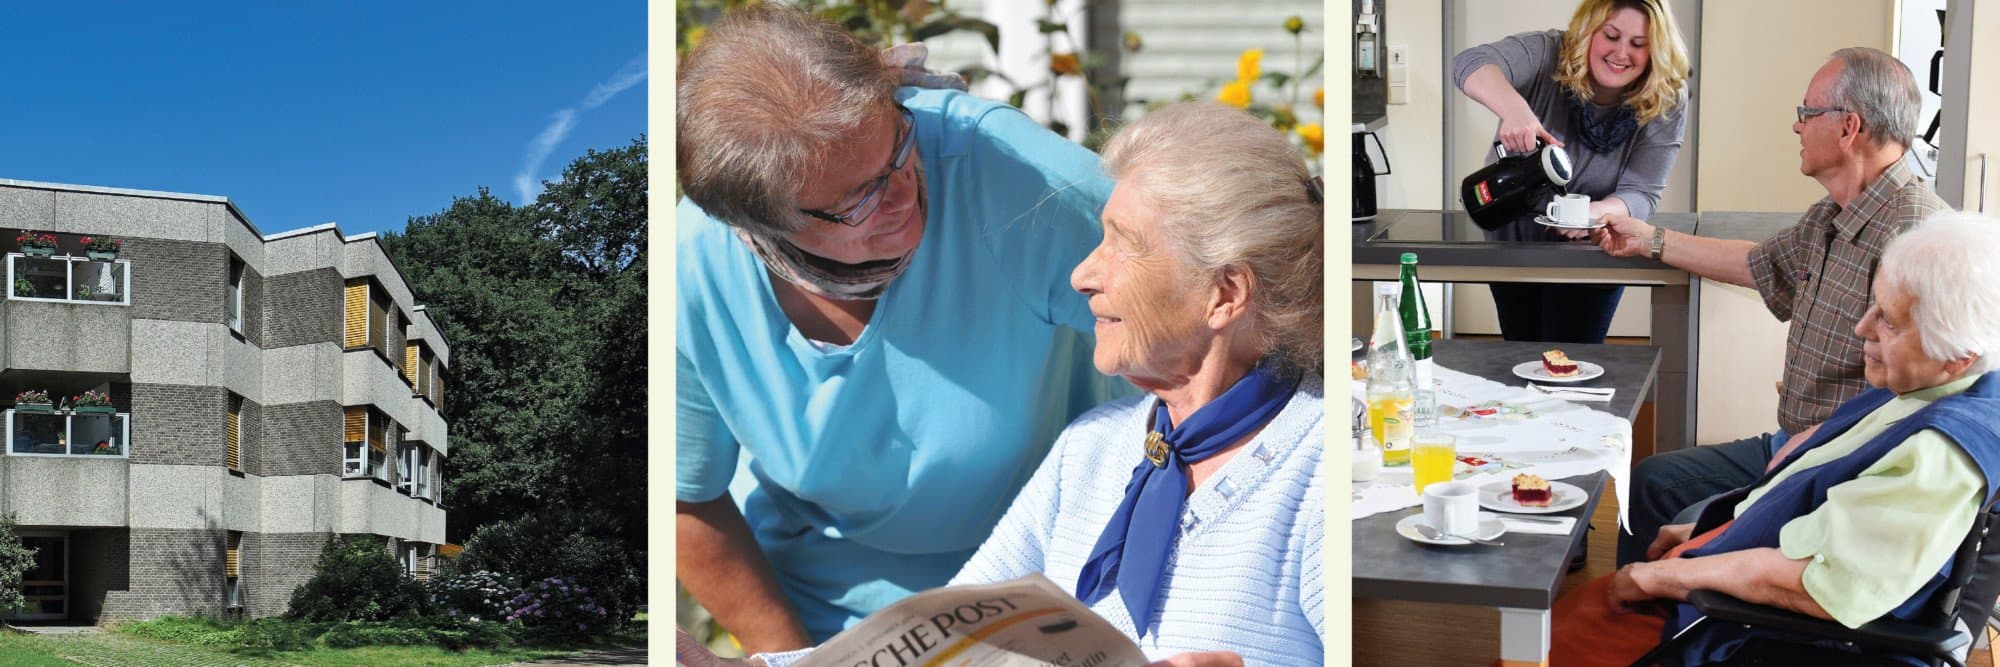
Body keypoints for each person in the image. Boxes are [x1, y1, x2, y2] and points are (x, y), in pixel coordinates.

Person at [696, 101, 1324, 667]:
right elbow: (937, 648)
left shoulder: (1320, 467)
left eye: (1122, 246)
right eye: (1099, 237)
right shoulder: (1092, 449)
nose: (1082, 274)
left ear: (1224, 294)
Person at [675, 4, 1134, 652]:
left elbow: (1205, 345)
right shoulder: (690, 271)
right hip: (833, 611)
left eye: (897, 150)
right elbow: (685, 500)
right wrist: (796, 659)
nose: (900, 195)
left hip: (1065, 581)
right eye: (856, 200)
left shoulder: (1019, 178)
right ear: (762, 227)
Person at [1544, 212, 2000, 666]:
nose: (1863, 327)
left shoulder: (1939, 455)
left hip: (1756, 629)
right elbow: (1816, 499)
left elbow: (1820, 584)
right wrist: (1716, 530)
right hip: (1741, 574)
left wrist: (1665, 577)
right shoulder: (1929, 389)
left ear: (1959, 356)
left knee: (1549, 646)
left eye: (1890, 322)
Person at [1595, 47, 1944, 566]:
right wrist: (1649, 239)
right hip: (1791, 445)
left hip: (1839, 468)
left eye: (1807, 112)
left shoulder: (1915, 237)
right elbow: (1758, 264)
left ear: (1848, 127)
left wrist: (1807, 453)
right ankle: (1632, 611)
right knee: (1651, 481)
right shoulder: (1832, 215)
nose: (1797, 126)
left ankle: (1667, 604)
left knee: (1690, 521)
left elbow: (1913, 406)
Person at [1453, 0, 1691, 343]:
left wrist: (1590, 215)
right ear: (1588, 31)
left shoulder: (1666, 96)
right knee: (1521, 347)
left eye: (1639, 44)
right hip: (1514, 239)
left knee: (1574, 354)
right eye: (1611, 36)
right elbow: (1469, 62)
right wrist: (1515, 110)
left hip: (1593, 247)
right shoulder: (1547, 52)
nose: (1621, 53)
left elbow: (1642, 193)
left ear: (1657, 51)